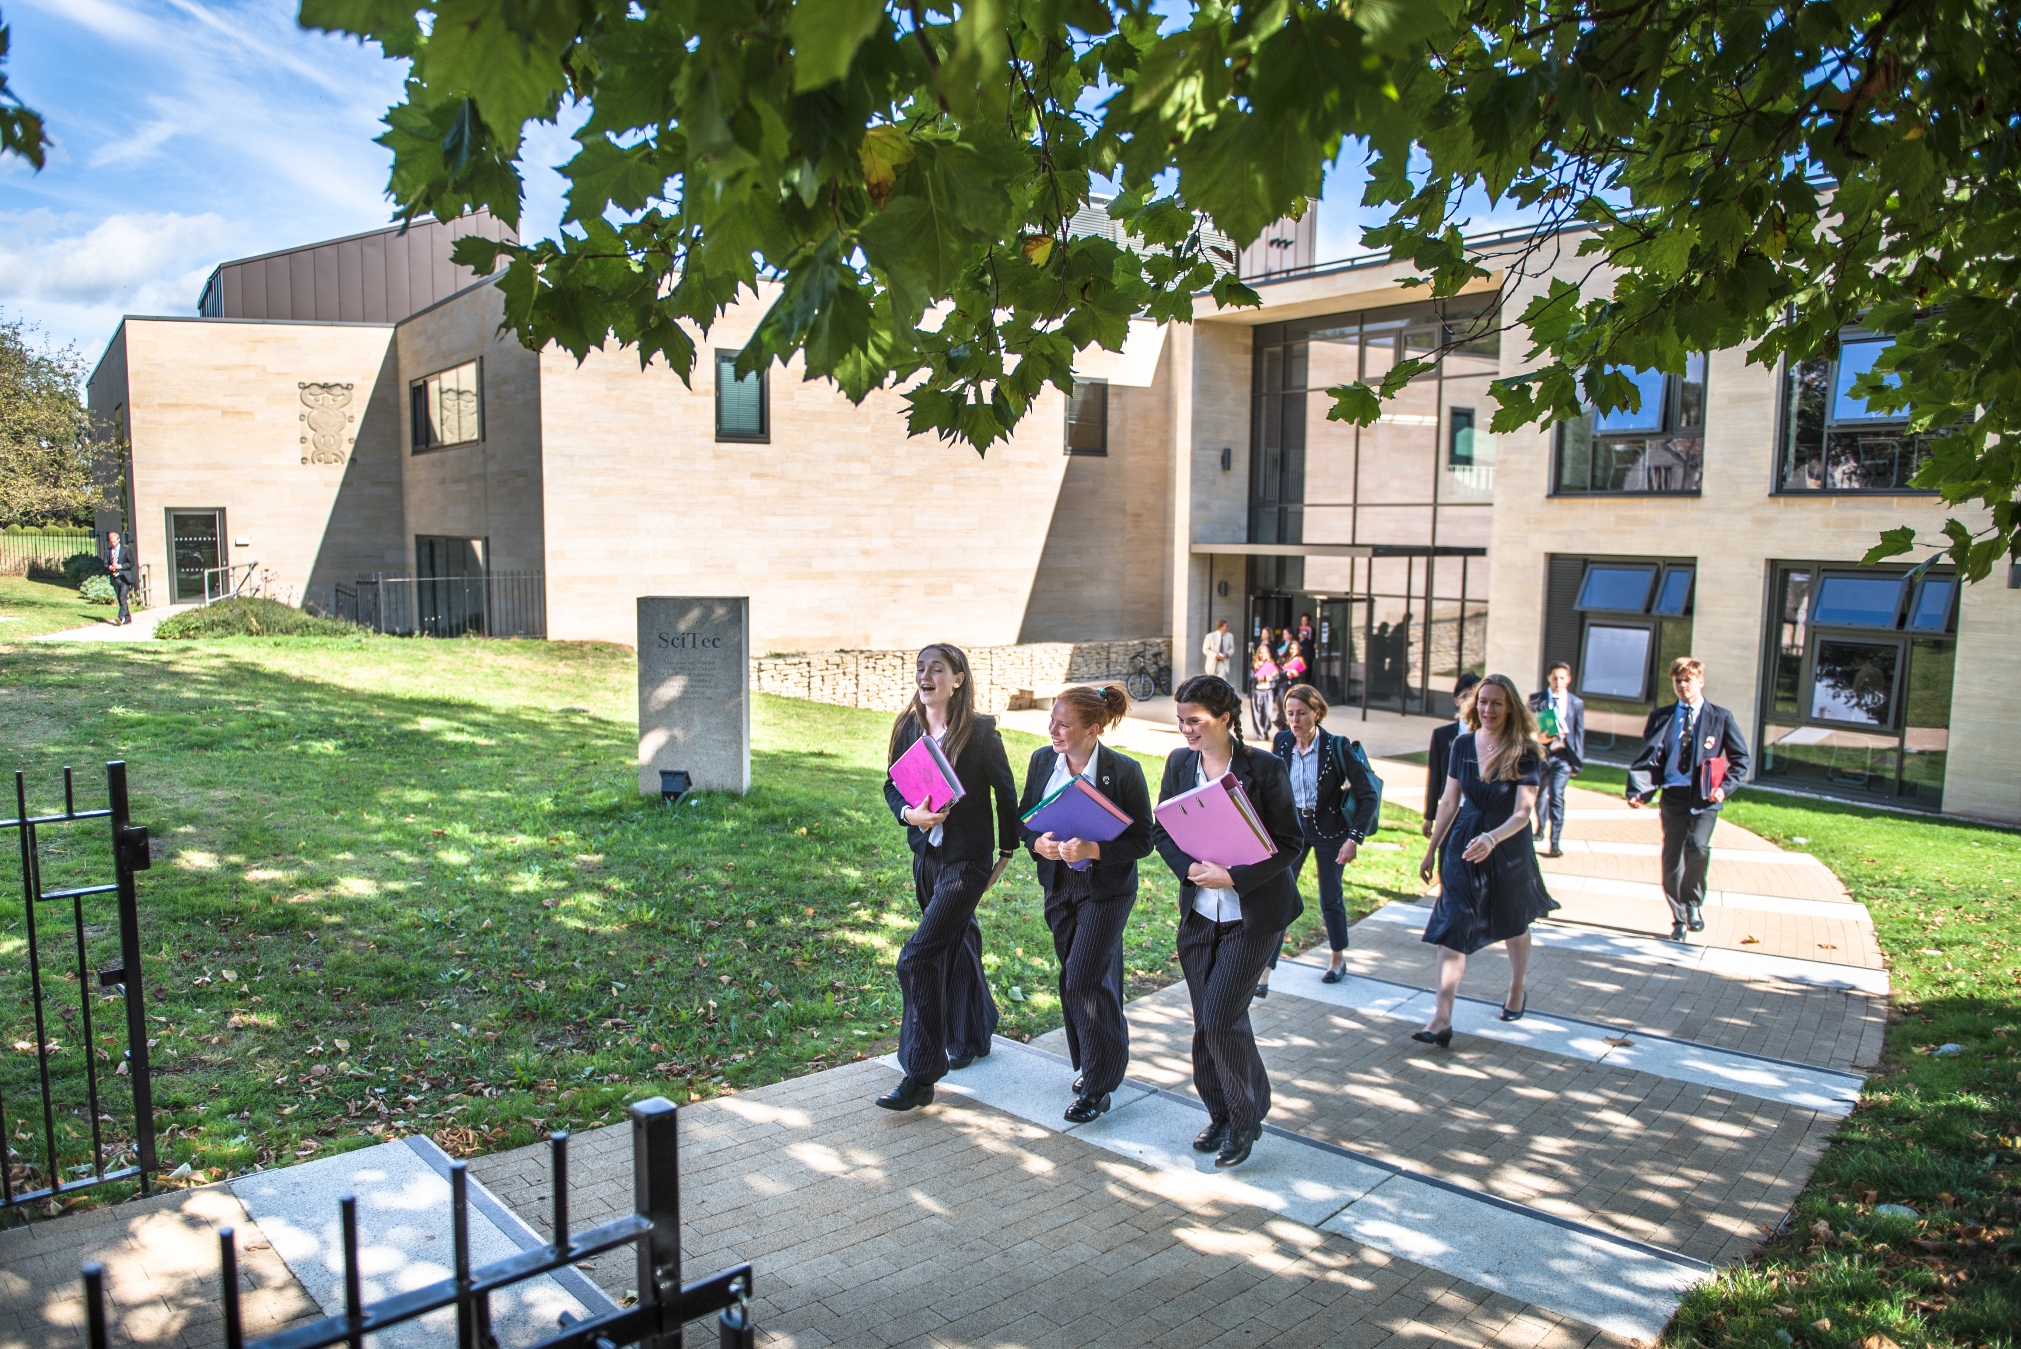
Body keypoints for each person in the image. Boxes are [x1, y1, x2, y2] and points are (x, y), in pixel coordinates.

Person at [1152, 674, 1304, 1169]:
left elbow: (1290, 843)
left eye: (1194, 721)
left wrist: (1235, 876)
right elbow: (1163, 829)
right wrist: (1191, 871)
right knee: (1205, 1023)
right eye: (1180, 721)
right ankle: (1219, 1111)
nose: (1185, 730)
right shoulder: (1179, 764)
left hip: (1253, 915)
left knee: (1221, 1016)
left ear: (1224, 718)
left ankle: (1245, 1119)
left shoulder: (1265, 768)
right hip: (1199, 913)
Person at [877, 644, 1020, 1111]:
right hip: (927, 857)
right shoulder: (907, 725)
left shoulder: (979, 732)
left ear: (957, 679)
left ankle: (920, 1074)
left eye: (936, 669)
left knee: (919, 958)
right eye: (920, 668)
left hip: (967, 861)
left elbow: (1005, 791)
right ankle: (976, 1033)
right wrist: (907, 815)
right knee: (957, 944)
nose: (925, 675)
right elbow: (892, 784)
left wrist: (1006, 852)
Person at [1018, 684, 1155, 1123]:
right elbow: (1025, 821)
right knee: (1078, 977)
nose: (1052, 730)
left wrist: (1093, 850)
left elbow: (1143, 840)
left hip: (1107, 890)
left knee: (1084, 979)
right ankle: (1090, 1064)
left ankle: (1099, 1085)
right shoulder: (1042, 761)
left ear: (1093, 730)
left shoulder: (1124, 771)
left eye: (1063, 724)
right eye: (1052, 721)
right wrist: (1037, 843)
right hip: (1059, 886)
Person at [1414, 674, 1559, 1044]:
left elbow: (1523, 813)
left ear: (1509, 707)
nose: (1488, 709)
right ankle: (1441, 1018)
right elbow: (1449, 801)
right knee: (1455, 922)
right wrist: (1432, 849)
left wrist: (1492, 838)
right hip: (1464, 842)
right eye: (1482, 702)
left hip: (1507, 845)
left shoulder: (1524, 749)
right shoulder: (1462, 745)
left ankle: (1516, 988)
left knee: (1513, 922)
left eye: (1496, 703)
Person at [1628, 657, 1751, 941]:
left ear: (1700, 681)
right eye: (1677, 681)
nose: (1682, 686)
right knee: (1672, 860)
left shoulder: (1720, 717)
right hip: (1674, 796)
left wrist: (1725, 787)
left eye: (1688, 680)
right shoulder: (1662, 717)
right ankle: (1679, 917)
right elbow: (1650, 758)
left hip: (1705, 797)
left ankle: (1693, 904)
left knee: (1697, 848)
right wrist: (1641, 791)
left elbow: (1741, 759)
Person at [1270, 684, 1379, 984]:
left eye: (1302, 713)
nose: (1295, 720)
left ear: (1317, 713)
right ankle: (1266, 967)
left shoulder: (1336, 746)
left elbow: (1368, 795)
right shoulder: (1281, 742)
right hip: (1293, 831)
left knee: (1330, 896)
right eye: (1290, 713)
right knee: (1280, 894)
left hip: (1331, 831)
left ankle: (1337, 958)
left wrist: (1354, 838)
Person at [1527, 662, 1585, 858]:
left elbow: (1579, 733)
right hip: (1542, 755)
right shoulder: (1537, 699)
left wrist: (1577, 762)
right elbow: (1528, 728)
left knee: (1557, 797)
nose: (1558, 682)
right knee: (1538, 794)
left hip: (1563, 758)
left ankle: (1555, 843)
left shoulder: (1576, 703)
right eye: (1555, 678)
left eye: (1562, 678)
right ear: (1549, 678)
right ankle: (1540, 828)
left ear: (1568, 680)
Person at [1423, 673, 1482, 839]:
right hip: (1450, 809)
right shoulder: (1442, 735)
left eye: (1476, 696)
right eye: (1466, 696)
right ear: (1456, 701)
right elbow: (1435, 775)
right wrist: (1429, 815)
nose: (1472, 701)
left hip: (1478, 810)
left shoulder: (1488, 735)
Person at [1248, 631, 1280, 738]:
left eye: (1264, 653)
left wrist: (1271, 678)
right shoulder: (1254, 664)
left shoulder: (1271, 664)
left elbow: (1277, 677)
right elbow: (1251, 676)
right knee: (1257, 714)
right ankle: (1259, 735)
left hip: (1268, 691)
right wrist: (1257, 677)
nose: (1262, 655)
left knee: (1267, 714)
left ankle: (1265, 731)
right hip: (1257, 691)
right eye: (1260, 653)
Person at [106, 530, 136, 626]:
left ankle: (120, 617)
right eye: (111, 542)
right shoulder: (108, 551)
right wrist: (109, 567)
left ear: (118, 540)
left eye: (114, 541)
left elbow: (131, 563)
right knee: (120, 599)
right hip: (115, 578)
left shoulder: (126, 550)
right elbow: (105, 564)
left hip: (125, 578)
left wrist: (120, 566)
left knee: (122, 596)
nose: (113, 543)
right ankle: (128, 618)